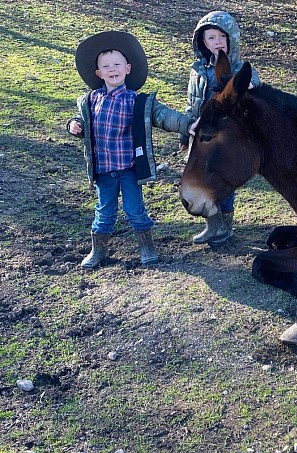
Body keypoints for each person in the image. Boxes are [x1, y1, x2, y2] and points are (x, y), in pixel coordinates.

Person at [67, 31, 194, 268]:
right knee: (104, 212)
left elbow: (162, 115)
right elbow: (82, 121)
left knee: (135, 210)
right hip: (103, 170)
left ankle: (146, 246)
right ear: (98, 73)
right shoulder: (90, 100)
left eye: (117, 64)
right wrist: (74, 126)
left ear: (127, 68)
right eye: (105, 66)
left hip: (128, 169)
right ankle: (99, 249)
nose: (111, 69)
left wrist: (188, 124)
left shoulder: (136, 101)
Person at [180, 10, 261, 246]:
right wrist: (186, 133)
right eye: (211, 38)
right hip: (202, 137)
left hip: (226, 140)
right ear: (202, 43)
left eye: (221, 37)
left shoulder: (240, 69)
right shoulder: (197, 71)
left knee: (222, 180)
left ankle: (226, 227)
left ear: (231, 39)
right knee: (203, 181)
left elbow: (253, 86)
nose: (217, 42)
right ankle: (212, 226)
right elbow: (191, 105)